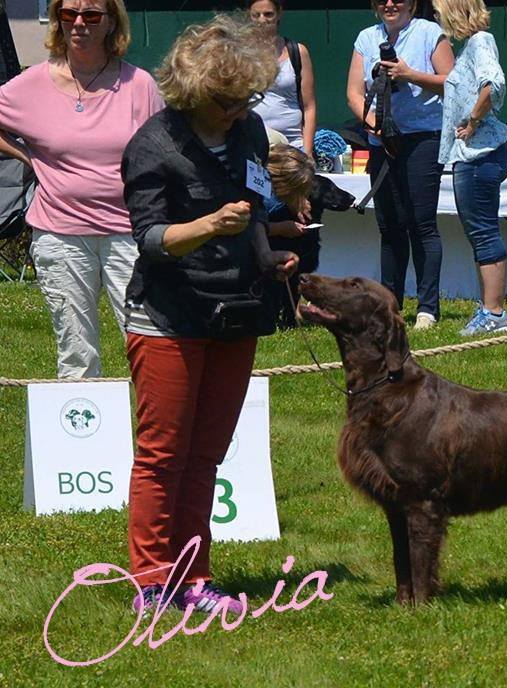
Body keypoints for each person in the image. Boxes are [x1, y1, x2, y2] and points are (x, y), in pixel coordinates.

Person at [121, 15, 298, 614]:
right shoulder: (153, 145)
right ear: (192, 93)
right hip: (168, 316)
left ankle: (194, 580)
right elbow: (147, 238)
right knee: (162, 455)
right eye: (225, 101)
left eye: (245, 98)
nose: (236, 111)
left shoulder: (248, 134)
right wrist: (204, 227)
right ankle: (150, 580)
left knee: (206, 456)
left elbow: (252, 212)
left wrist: (270, 256)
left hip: (233, 313)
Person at [0, 0, 163, 377]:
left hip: (130, 231)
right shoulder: (31, 85)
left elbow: (165, 150)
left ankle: (156, 435)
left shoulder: (139, 85)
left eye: (90, 15)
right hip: (60, 234)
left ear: (111, 23)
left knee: (148, 344)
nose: (78, 24)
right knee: (76, 355)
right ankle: (82, 433)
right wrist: (27, 156)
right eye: (68, 14)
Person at [346, 0, 454, 330]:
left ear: (412, 3)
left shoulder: (430, 32)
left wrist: (410, 75)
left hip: (423, 137)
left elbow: (452, 82)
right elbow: (353, 92)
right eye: (382, 0)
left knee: (421, 223)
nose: (390, 4)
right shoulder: (366, 38)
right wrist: (373, 123)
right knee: (390, 225)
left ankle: (427, 308)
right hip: (383, 140)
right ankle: (390, 305)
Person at [433, 0, 507, 337]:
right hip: (472, 155)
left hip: (481, 154)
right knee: (479, 231)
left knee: (483, 231)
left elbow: (492, 84)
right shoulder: (473, 45)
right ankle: (489, 308)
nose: (437, 17)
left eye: (439, 11)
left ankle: (494, 313)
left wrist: (472, 120)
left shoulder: (480, 42)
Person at [248, 0, 316, 161]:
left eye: (268, 14)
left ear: (279, 13)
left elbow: (309, 106)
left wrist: (307, 151)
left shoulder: (297, 52)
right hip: (250, 144)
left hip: (292, 146)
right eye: (256, 15)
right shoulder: (239, 52)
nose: (262, 20)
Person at [265, 143, 318, 328]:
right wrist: (280, 228)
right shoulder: (255, 193)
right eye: (295, 191)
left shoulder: (277, 145)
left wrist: (298, 201)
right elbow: (245, 229)